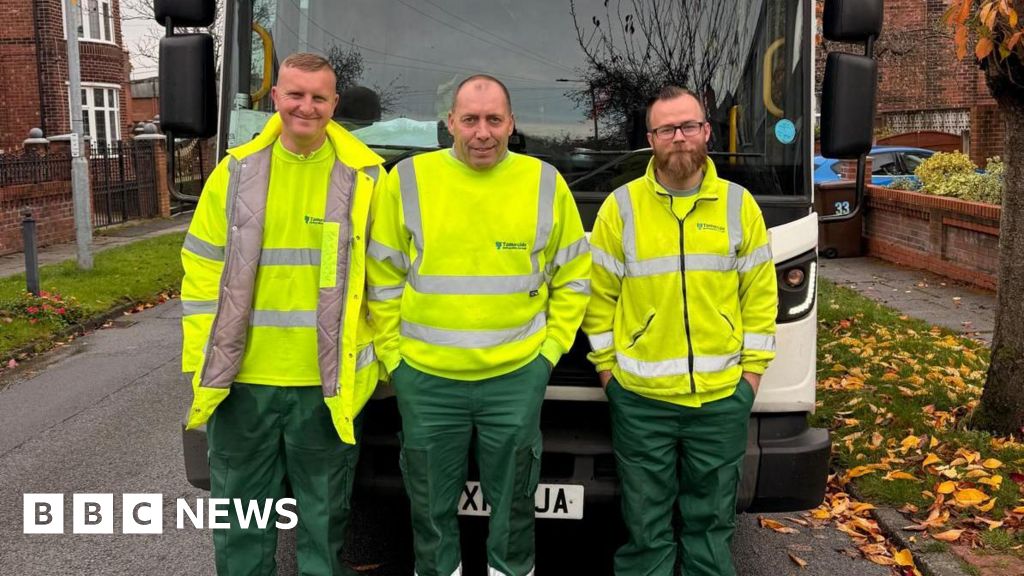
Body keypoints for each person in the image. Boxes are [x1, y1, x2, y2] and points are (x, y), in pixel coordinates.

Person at [366, 74, 591, 576]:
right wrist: (395, 360)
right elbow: (380, 278)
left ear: (511, 123)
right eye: (470, 120)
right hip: (426, 379)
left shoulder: (544, 183)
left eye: (493, 120)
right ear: (450, 123)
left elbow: (575, 278)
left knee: (514, 507)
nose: (482, 132)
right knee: (429, 508)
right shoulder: (406, 180)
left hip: (514, 379)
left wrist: (547, 355)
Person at [180, 52, 385, 576]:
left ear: (335, 105)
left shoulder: (367, 179)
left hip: (326, 388)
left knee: (324, 525)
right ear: (275, 97)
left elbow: (384, 278)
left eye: (319, 97)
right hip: (241, 387)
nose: (306, 107)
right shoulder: (235, 173)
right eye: (295, 94)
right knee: (242, 528)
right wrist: (202, 363)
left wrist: (382, 359)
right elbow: (202, 269)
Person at [583, 86, 778, 576]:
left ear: (707, 132)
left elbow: (760, 300)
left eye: (688, 126)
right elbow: (598, 300)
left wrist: (748, 381)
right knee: (644, 530)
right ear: (651, 138)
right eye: (667, 129)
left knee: (711, 530)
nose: (679, 138)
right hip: (641, 401)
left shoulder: (740, 206)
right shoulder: (620, 208)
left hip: (719, 400)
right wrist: (611, 377)